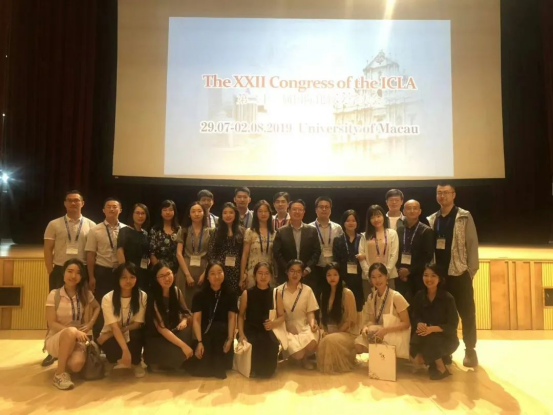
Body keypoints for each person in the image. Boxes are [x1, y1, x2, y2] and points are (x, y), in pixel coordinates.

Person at [427, 183, 479, 367]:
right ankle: (445, 351)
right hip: (439, 277)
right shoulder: (432, 219)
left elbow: (472, 244)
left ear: (454, 194)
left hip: (459, 273)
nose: (442, 196)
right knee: (442, 316)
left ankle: (470, 350)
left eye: (446, 193)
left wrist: (470, 270)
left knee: (467, 313)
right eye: (439, 193)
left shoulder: (464, 216)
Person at [42, 190, 95, 367]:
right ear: (65, 203)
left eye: (77, 200)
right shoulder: (54, 224)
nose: (73, 203)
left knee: (83, 308)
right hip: (59, 270)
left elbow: (91, 252)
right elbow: (47, 249)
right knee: (55, 309)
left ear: (82, 203)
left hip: (81, 271)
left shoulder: (91, 225)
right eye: (70, 200)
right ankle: (51, 350)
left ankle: (80, 343)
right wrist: (51, 271)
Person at [44, 258, 100, 390]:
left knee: (76, 365)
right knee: (70, 332)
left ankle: (65, 364)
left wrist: (90, 324)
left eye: (78, 273)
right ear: (63, 273)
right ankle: (59, 375)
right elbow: (52, 323)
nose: (73, 276)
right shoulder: (54, 294)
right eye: (70, 271)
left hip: (77, 339)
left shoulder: (85, 293)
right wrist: (74, 331)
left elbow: (97, 307)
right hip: (56, 338)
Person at [97, 262, 147, 378]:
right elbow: (114, 327)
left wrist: (109, 334)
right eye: (124, 277)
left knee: (136, 334)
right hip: (113, 332)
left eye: (132, 277)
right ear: (118, 279)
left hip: (124, 332)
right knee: (111, 343)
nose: (128, 281)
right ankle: (111, 361)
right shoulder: (108, 298)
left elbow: (137, 324)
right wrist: (125, 350)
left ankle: (136, 362)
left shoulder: (142, 296)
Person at [86, 197, 126, 338]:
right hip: (102, 272)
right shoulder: (95, 230)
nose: (112, 209)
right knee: (102, 305)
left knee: (120, 304)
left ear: (120, 210)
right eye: (108, 206)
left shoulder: (126, 229)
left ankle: (117, 338)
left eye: (115, 206)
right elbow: (90, 254)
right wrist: (91, 276)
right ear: (103, 210)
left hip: (121, 272)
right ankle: (97, 339)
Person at [410, 264, 460, 380]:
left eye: (433, 276)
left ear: (439, 278)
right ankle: (436, 360)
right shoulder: (419, 296)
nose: (429, 279)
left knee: (430, 338)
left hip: (445, 337)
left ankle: (441, 368)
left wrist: (432, 329)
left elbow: (453, 324)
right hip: (424, 334)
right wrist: (419, 323)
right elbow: (415, 316)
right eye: (426, 275)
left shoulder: (447, 298)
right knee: (417, 356)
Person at [143, 261, 194, 372]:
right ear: (156, 279)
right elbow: (161, 329)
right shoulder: (152, 296)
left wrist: (184, 320)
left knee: (191, 329)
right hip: (157, 337)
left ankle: (174, 361)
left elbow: (187, 312)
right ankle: (161, 361)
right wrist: (183, 346)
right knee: (182, 349)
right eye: (162, 276)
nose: (167, 278)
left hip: (172, 331)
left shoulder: (176, 291)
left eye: (168, 274)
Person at [191, 260, 238, 379]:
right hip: (205, 332)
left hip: (223, 333)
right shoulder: (199, 295)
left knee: (218, 333)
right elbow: (196, 320)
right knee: (200, 368)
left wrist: (230, 339)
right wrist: (199, 342)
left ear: (224, 273)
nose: (216, 276)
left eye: (219, 272)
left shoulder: (230, 293)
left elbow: (232, 317)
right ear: (207, 276)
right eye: (212, 273)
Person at [355, 263, 410, 359]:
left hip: (395, 333)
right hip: (378, 332)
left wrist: (385, 330)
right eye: (373, 277)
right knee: (358, 344)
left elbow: (406, 323)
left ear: (386, 277)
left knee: (373, 334)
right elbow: (372, 321)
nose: (377, 280)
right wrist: (365, 327)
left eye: (380, 276)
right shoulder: (371, 297)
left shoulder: (396, 296)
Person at [237, 262, 283, 378]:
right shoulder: (247, 293)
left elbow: (282, 316)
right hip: (251, 329)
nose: (263, 277)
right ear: (254, 275)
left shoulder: (275, 293)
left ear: (271, 276)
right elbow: (241, 316)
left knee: (270, 353)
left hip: (268, 330)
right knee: (254, 344)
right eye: (260, 273)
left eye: (266, 273)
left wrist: (274, 323)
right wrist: (241, 334)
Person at [276, 259, 320, 370]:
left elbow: (310, 312)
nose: (295, 274)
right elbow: (276, 314)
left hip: (304, 324)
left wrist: (312, 324)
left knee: (312, 342)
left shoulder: (307, 290)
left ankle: (304, 359)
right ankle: (293, 355)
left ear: (302, 273)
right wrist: (286, 327)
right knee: (298, 354)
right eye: (292, 271)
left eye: (298, 271)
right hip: (285, 327)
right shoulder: (278, 291)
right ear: (287, 272)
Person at [317, 263, 358, 374]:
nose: (332, 278)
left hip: (346, 332)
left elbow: (350, 320)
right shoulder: (324, 295)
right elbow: (322, 317)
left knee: (330, 340)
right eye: (329, 275)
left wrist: (336, 332)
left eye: (335, 274)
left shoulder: (347, 293)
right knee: (322, 338)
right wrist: (324, 331)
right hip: (329, 332)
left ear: (340, 276)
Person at [273, 199, 321, 286]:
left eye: (300, 209)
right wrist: (288, 270)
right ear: (289, 211)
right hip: (286, 275)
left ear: (304, 212)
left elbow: (316, 252)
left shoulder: (312, 230)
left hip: (307, 275)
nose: (297, 212)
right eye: (294, 209)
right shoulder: (281, 231)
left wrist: (307, 269)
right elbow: (277, 253)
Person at [175, 201, 214, 306]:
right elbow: (178, 253)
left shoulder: (211, 232)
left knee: (201, 300)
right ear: (189, 214)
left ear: (204, 213)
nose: (196, 214)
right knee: (184, 300)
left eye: (199, 211)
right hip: (185, 268)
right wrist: (187, 275)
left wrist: (205, 273)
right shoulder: (183, 231)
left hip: (204, 268)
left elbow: (212, 255)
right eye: (193, 211)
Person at [396, 200, 435, 302]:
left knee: (418, 306)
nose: (412, 211)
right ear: (404, 211)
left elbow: (427, 256)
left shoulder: (426, 231)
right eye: (409, 208)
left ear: (420, 211)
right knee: (401, 306)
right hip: (400, 276)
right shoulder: (399, 230)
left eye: (415, 208)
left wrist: (409, 271)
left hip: (418, 277)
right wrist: (400, 271)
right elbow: (395, 252)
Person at [358, 205, 399, 296]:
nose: (376, 219)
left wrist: (385, 274)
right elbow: (361, 257)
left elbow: (394, 255)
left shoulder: (392, 233)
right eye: (372, 217)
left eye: (378, 216)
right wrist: (370, 275)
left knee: (389, 302)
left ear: (383, 216)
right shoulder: (365, 236)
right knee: (370, 303)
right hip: (369, 279)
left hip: (388, 277)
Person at [309, 197, 344, 304]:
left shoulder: (337, 228)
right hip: (316, 268)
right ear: (316, 209)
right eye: (321, 207)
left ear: (330, 210)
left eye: (327, 207)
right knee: (316, 297)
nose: (324, 209)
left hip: (333, 269)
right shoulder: (309, 228)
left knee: (333, 297)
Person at [207, 202, 244, 297]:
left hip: (236, 271)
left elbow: (243, 253)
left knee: (233, 297)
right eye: (225, 213)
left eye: (231, 212)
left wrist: (244, 273)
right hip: (219, 271)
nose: (228, 215)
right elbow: (211, 253)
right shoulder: (216, 231)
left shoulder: (242, 231)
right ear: (221, 215)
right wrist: (214, 268)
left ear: (235, 214)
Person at [332, 210, 364, 315]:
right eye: (348, 220)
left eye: (353, 220)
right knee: (344, 306)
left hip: (360, 277)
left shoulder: (362, 238)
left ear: (357, 222)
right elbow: (336, 260)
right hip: (344, 278)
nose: (351, 223)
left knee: (359, 305)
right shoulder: (338, 239)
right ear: (343, 222)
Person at [240, 200, 276, 289]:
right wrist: (242, 276)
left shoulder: (274, 233)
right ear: (256, 213)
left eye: (266, 211)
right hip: (252, 273)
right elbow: (245, 255)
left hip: (269, 273)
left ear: (270, 213)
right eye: (260, 211)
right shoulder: (250, 231)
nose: (263, 214)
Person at [117, 203, 151, 292]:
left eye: (143, 213)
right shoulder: (124, 230)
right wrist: (124, 271)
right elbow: (120, 251)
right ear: (132, 214)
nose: (140, 216)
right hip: (129, 271)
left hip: (143, 271)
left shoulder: (145, 233)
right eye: (137, 213)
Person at [149, 200, 181, 273]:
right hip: (159, 270)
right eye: (165, 210)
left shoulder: (179, 230)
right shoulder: (155, 230)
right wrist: (160, 270)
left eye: (170, 210)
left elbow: (182, 253)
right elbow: (151, 253)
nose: (168, 212)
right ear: (161, 212)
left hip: (177, 270)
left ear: (174, 212)